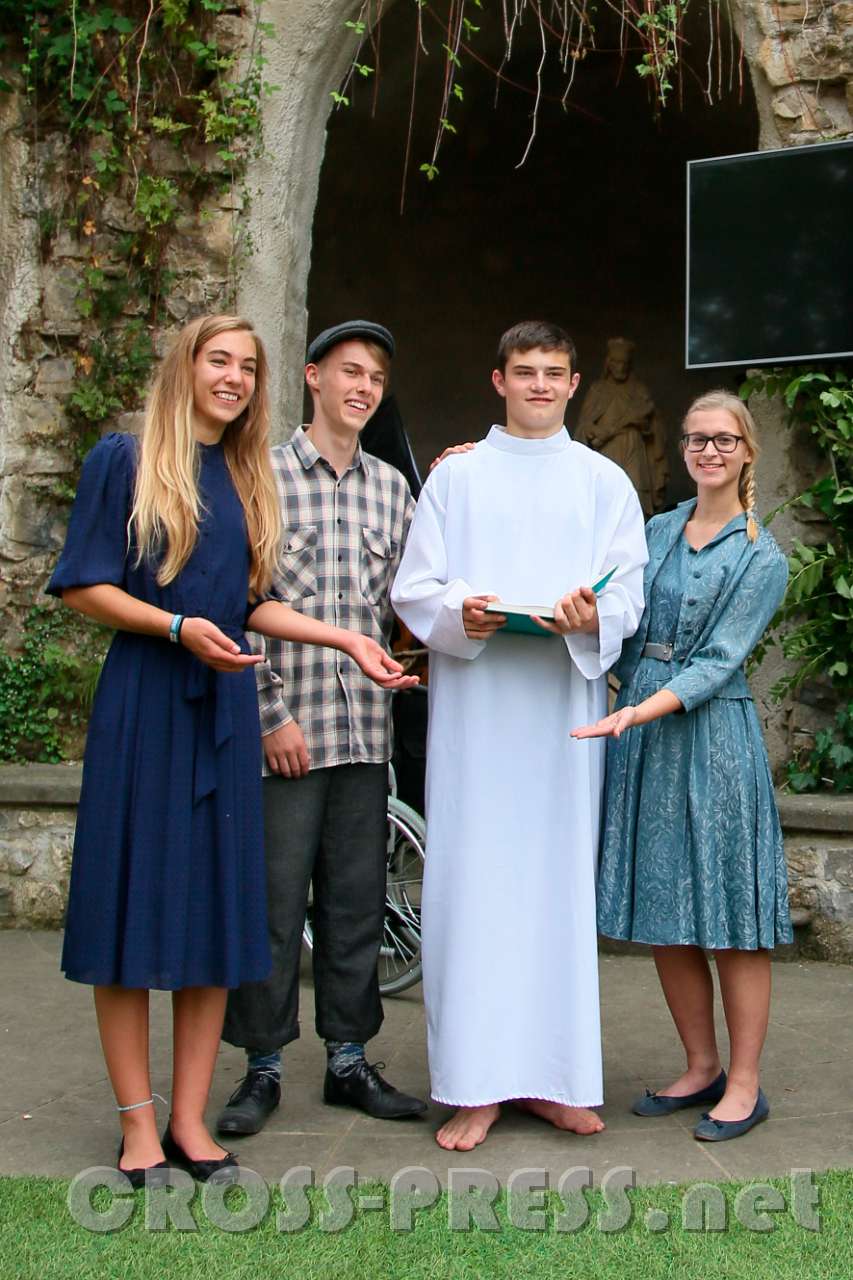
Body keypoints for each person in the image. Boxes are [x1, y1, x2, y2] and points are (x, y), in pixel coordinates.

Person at [46, 314, 415, 1185]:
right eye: (220, 361)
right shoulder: (124, 461)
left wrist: (345, 640)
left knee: (218, 918)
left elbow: (248, 605)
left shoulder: (247, 475)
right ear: (187, 365)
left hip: (221, 703)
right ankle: (138, 1126)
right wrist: (175, 626)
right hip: (147, 706)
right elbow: (84, 585)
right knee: (133, 919)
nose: (235, 378)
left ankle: (189, 1121)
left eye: (248, 366)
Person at [391, 321, 648, 1150]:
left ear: (574, 385)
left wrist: (591, 616)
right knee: (473, 892)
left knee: (552, 892)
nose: (540, 384)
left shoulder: (603, 480)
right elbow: (414, 587)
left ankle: (554, 1078)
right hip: (475, 713)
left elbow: (628, 590)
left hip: (558, 722)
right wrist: (456, 613)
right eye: (525, 371)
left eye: (554, 373)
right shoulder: (457, 479)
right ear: (496, 379)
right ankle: (473, 1084)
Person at [218, 320, 427, 1136]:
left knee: (356, 904)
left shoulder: (390, 488)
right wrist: (269, 714)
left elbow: (417, 599)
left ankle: (349, 1061)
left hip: (364, 734)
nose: (363, 388)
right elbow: (233, 605)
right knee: (272, 907)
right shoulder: (258, 477)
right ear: (312, 377)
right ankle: (260, 1067)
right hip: (287, 732)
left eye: (375, 377)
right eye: (349, 372)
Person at [572, 389, 792, 1142]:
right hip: (643, 729)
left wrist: (640, 706)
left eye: (723, 440)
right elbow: (618, 618)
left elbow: (721, 660)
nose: (707, 451)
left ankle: (745, 1083)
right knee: (666, 908)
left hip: (711, 736)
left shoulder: (762, 554)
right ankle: (698, 1065)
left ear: (745, 452)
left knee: (729, 919)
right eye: (695, 438)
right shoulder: (656, 528)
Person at [575, 337, 668, 516]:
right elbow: (584, 426)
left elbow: (652, 425)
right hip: (608, 449)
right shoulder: (598, 390)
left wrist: (641, 423)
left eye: (625, 363)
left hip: (635, 449)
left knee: (637, 494)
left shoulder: (639, 390)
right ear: (609, 364)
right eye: (617, 363)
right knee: (607, 497)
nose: (621, 367)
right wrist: (597, 431)